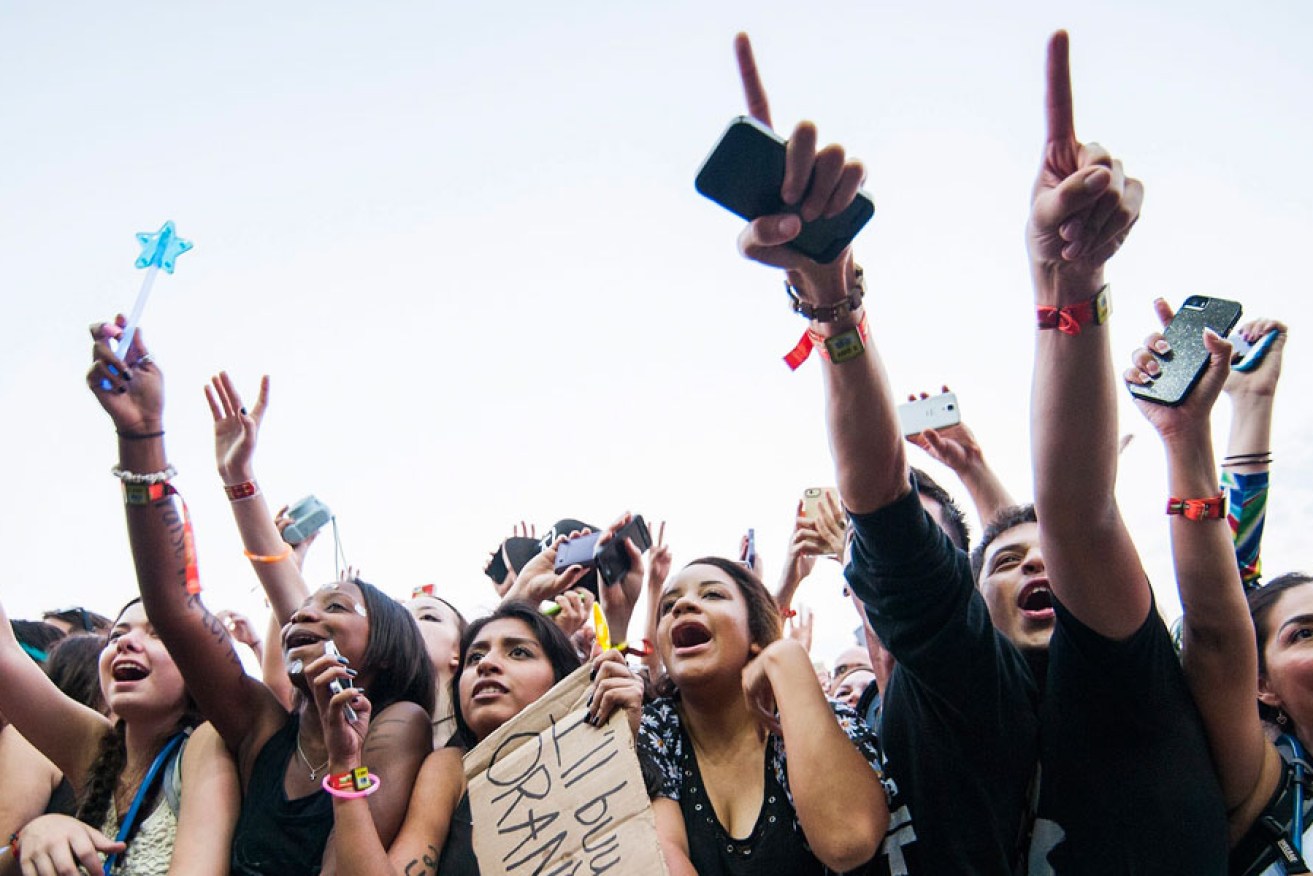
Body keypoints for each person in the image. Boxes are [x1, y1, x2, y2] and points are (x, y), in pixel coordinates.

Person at [730, 31, 1039, 872]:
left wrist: (834, 305)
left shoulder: (982, 687)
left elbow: (878, 498)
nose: (910, 563)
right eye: (894, 550)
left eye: (936, 550)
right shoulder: (828, 721)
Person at [86, 324, 434, 875]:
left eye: (336, 606)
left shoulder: (401, 724)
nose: (306, 613)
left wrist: (345, 763)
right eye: (306, 607)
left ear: (388, 651)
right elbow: (174, 609)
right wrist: (142, 435)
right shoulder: (262, 732)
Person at [1124, 308, 1301, 873]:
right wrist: (1192, 431)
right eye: (1306, 633)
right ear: (1262, 684)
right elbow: (1223, 615)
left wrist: (1254, 399)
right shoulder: (1269, 786)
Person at [321, 599, 648, 876]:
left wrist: (620, 743)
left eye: (519, 652)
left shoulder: (627, 748)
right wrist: (346, 765)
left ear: (561, 679)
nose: (487, 664)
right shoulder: (449, 769)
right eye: (474, 658)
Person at [640, 556, 888, 874]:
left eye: (712, 594)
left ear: (755, 635)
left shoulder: (820, 720)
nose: (683, 606)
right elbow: (661, 859)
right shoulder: (654, 731)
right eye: (668, 605)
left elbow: (848, 841)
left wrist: (788, 656)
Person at [0, 598, 238, 875]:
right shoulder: (96, 746)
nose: (126, 643)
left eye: (158, 634)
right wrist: (27, 838)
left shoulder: (207, 742)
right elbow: (6, 657)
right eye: (117, 635)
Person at [404, 591, 467, 748]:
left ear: (460, 650)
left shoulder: (484, 733)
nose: (404, 622)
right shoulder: (358, 734)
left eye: (428, 617)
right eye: (398, 617)